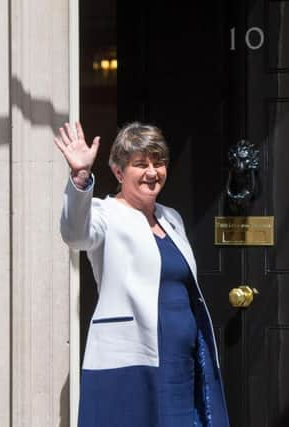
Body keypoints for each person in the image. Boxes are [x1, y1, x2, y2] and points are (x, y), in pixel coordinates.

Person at [53, 121, 229, 427]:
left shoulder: (171, 217)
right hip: (131, 358)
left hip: (181, 359)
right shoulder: (104, 214)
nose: (152, 172)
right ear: (120, 173)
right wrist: (80, 178)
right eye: (140, 164)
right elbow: (75, 234)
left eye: (158, 163)